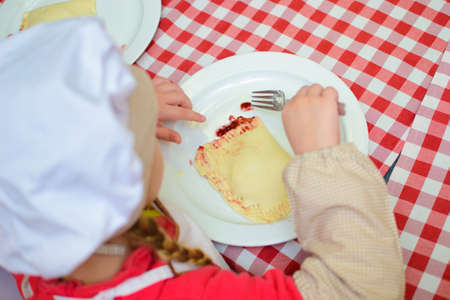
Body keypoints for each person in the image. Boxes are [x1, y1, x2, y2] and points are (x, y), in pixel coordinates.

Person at [0, 18, 405, 300]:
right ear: (130, 176)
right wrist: (322, 159)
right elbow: (363, 288)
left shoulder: (27, 226)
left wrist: (121, 119)